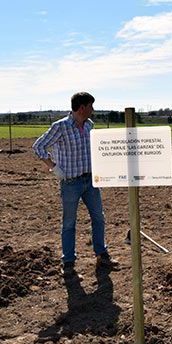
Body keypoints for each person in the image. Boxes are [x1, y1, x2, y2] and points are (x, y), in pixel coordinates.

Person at [32, 92, 119, 276]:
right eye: (91, 106)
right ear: (82, 108)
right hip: (70, 183)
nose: (93, 110)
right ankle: (69, 263)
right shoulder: (60, 127)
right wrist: (53, 167)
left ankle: (102, 255)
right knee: (69, 223)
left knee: (99, 218)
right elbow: (38, 146)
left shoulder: (90, 125)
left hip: (91, 180)